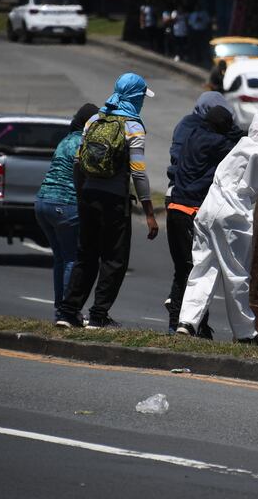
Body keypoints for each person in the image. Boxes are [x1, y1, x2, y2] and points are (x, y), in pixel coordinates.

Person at [176, 110, 258, 342]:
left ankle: (187, 321)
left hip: (208, 209)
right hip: (232, 216)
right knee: (236, 275)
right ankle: (245, 333)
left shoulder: (240, 145)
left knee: (203, 268)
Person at [56, 73, 159, 329]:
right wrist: (148, 211)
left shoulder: (94, 119)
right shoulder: (133, 125)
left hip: (89, 197)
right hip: (114, 201)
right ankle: (98, 315)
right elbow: (138, 172)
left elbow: (79, 161)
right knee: (114, 259)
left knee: (85, 255)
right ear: (136, 96)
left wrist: (82, 196)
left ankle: (68, 312)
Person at [165, 92, 243, 338]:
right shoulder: (217, 144)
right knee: (199, 270)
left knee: (184, 269)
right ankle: (193, 324)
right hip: (192, 212)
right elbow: (240, 146)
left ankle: (180, 320)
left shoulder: (192, 134)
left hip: (174, 208)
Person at [35, 103, 98, 324]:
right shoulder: (85, 142)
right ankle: (67, 312)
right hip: (65, 204)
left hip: (42, 202)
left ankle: (59, 309)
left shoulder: (65, 140)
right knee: (73, 258)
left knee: (60, 258)